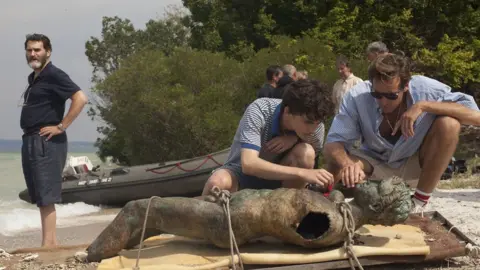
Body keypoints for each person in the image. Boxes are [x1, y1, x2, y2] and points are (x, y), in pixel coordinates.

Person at [322, 53, 480, 212]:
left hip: (415, 161)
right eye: (377, 95)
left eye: (391, 95)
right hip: (374, 160)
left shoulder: (425, 89)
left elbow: (476, 116)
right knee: (335, 163)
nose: (383, 101)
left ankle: (419, 202)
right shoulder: (357, 96)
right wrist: (348, 165)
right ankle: (322, 209)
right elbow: (333, 143)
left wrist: (424, 106)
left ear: (406, 86)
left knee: (449, 124)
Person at [202, 79, 334, 195]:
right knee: (217, 182)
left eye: (318, 123)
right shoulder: (260, 110)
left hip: (281, 181)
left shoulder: (316, 126)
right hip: (242, 174)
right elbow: (248, 164)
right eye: (308, 122)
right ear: (287, 111)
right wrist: (302, 173)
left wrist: (294, 138)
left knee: (306, 153)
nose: (313, 129)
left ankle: (288, 214)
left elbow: (309, 162)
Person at [20, 33, 88, 247]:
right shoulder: (35, 78)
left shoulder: (54, 74)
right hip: (31, 139)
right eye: (30, 50)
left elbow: (80, 98)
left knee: (47, 194)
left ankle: (49, 245)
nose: (33, 54)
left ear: (47, 51)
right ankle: (48, 242)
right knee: (40, 194)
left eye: (37, 49)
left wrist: (61, 126)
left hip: (46, 140)